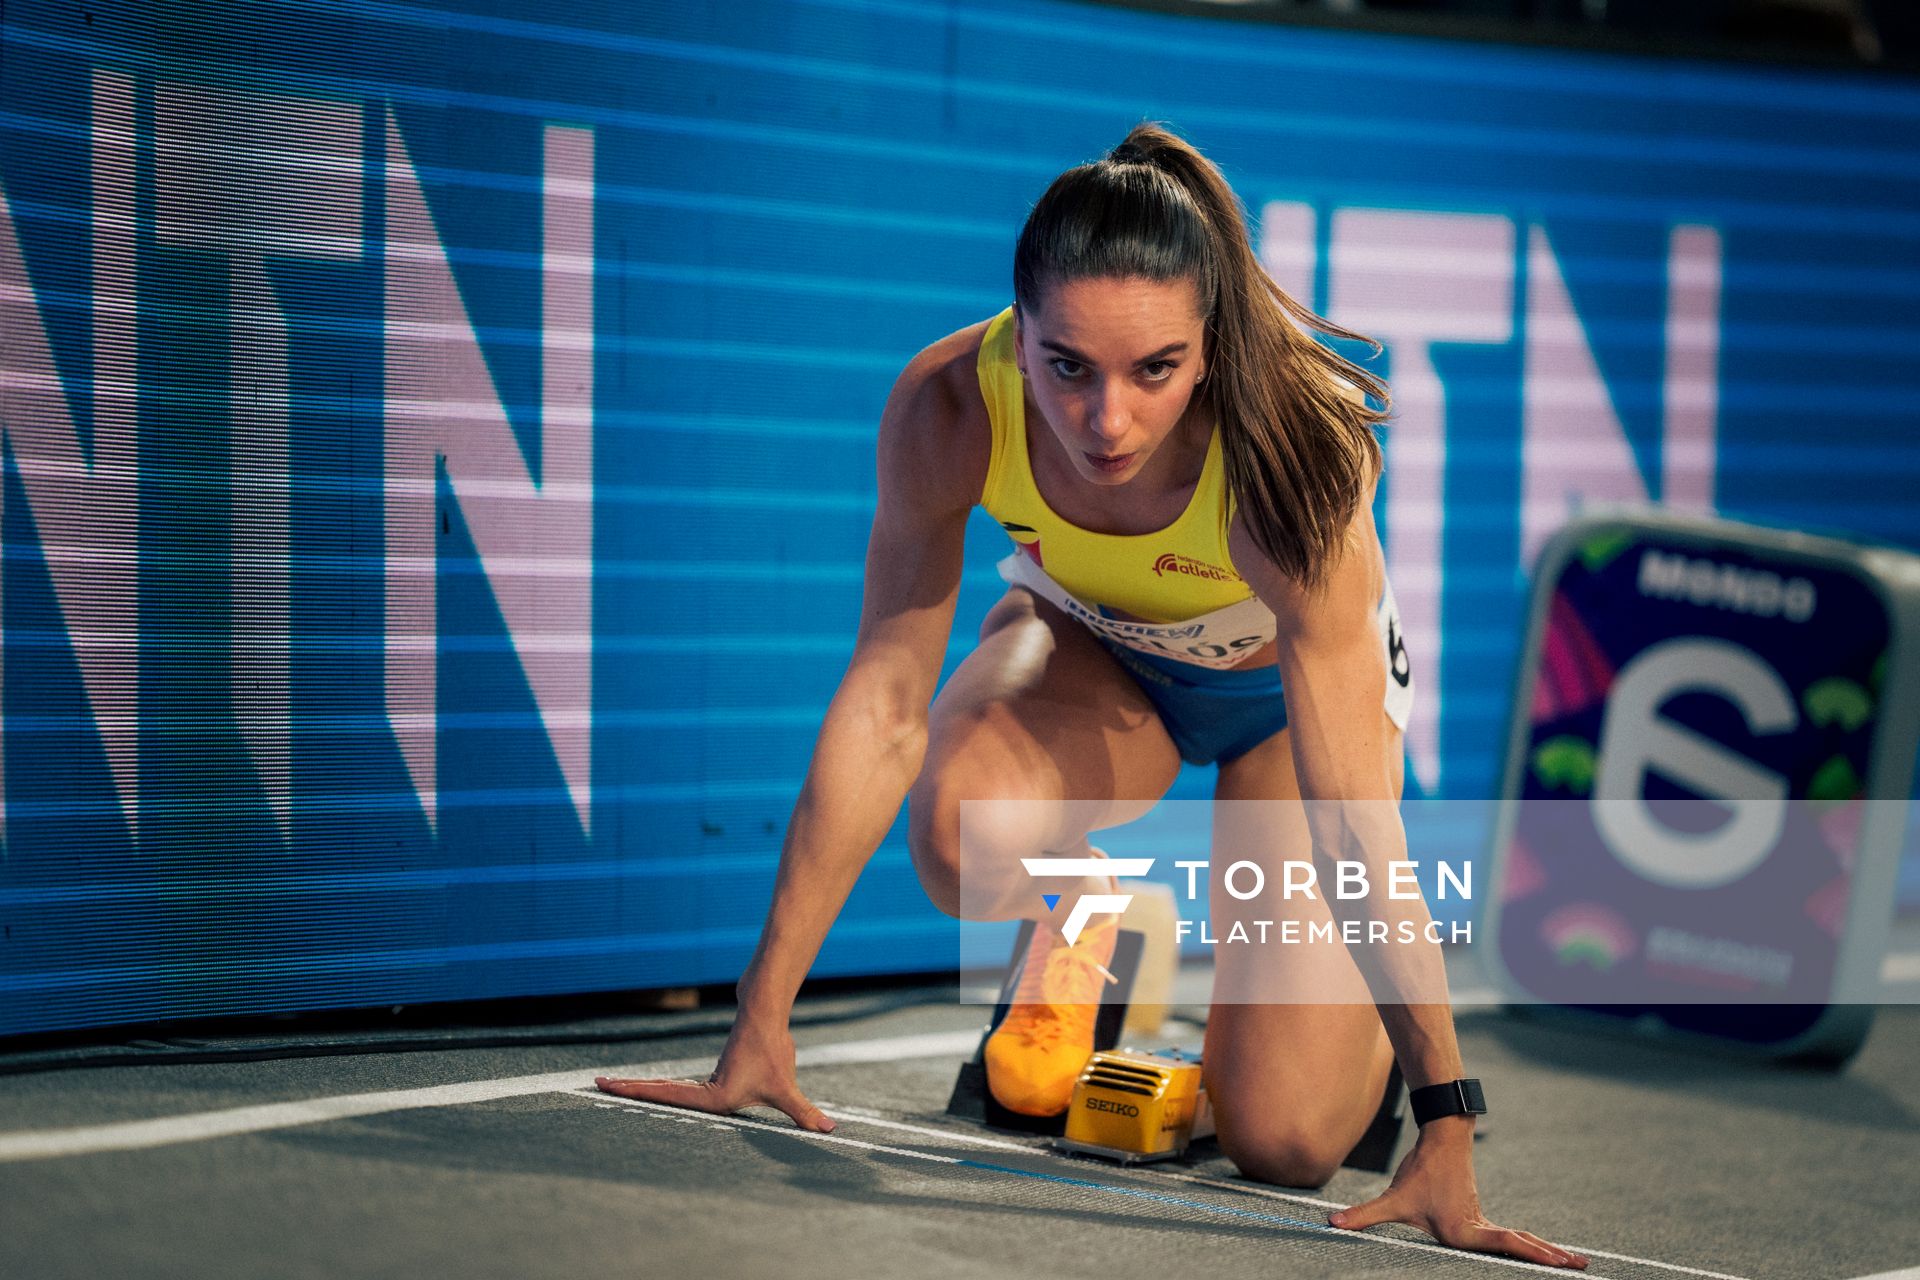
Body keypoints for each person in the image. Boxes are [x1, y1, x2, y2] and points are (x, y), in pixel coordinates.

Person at [597, 121, 1588, 1271]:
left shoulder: (1289, 456)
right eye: (1066, 366)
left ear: (1210, 345)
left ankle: (1310, 1048)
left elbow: (1353, 821)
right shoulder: (951, 406)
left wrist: (1447, 1119)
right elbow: (883, 703)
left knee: (1286, 1137)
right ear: (1020, 335)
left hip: (1283, 719)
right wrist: (758, 1020)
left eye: (1153, 370)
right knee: (966, 830)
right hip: (1094, 663)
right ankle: (1087, 911)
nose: (1104, 420)